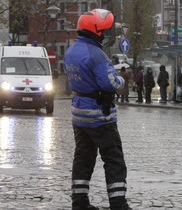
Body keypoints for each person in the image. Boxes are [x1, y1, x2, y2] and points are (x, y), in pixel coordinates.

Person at [63, 9, 131, 210]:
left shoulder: (70, 51)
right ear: (97, 32)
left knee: (83, 158)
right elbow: (109, 83)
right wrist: (120, 79)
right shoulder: (97, 55)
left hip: (79, 115)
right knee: (113, 158)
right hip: (100, 116)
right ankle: (118, 204)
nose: (106, 34)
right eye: (105, 30)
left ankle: (80, 202)